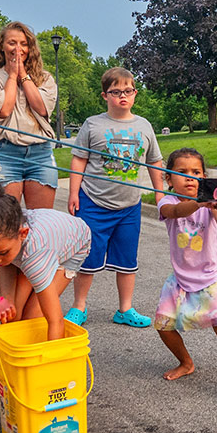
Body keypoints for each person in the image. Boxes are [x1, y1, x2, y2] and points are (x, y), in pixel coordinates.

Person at [65, 66, 163, 328]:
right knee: (87, 258)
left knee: (127, 261)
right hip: (94, 203)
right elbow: (78, 160)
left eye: (128, 91)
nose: (123, 96)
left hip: (130, 207)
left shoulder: (144, 126)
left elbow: (155, 161)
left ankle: (125, 309)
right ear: (104, 95)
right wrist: (74, 193)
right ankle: (79, 307)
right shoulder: (93, 125)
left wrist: (162, 196)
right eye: (115, 91)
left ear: (135, 94)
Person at [153, 149, 217, 408]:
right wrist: (202, 202)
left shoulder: (210, 201)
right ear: (168, 179)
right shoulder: (165, 201)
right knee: (163, 324)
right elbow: (178, 212)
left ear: (204, 176)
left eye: (196, 172)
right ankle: (186, 363)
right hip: (181, 278)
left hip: (213, 277)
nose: (189, 178)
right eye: (181, 172)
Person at [0, 182, 92, 341]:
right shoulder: (4, 229)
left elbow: (55, 321)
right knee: (13, 316)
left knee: (32, 318)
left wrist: (50, 359)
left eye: (2, 252)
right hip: (37, 243)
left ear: (23, 233)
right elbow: (3, 264)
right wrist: (5, 299)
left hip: (73, 246)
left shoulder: (35, 256)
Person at [0, 22, 61, 211]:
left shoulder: (45, 78)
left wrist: (23, 75)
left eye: (23, 43)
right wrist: (12, 76)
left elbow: (41, 109)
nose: (18, 48)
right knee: (5, 222)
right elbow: (4, 110)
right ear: (2, 47)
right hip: (5, 154)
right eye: (12, 43)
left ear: (30, 48)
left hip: (40, 154)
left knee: (41, 221)